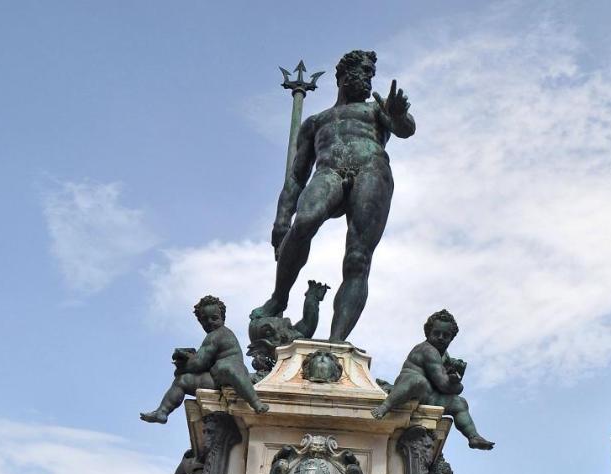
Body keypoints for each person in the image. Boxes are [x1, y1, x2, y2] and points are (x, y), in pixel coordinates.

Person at [254, 49, 416, 342]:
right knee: (303, 222)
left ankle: (336, 342)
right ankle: (279, 298)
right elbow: (296, 175)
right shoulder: (316, 122)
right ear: (342, 76)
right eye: (362, 73)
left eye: (371, 75)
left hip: (371, 170)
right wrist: (281, 218)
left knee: (357, 258)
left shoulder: (376, 110)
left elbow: (405, 129)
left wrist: (398, 114)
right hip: (328, 170)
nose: (368, 81)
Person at [373, 310, 494, 449]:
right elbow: (443, 385)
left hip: (428, 394)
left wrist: (455, 376)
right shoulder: (428, 350)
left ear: (451, 338)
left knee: (460, 403)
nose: (441, 338)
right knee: (418, 381)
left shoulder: (444, 355)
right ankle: (385, 406)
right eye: (436, 333)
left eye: (446, 335)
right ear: (428, 333)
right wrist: (457, 385)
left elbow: (446, 381)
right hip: (410, 387)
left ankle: (473, 437)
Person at [141, 295, 268, 423]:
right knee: (182, 381)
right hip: (217, 377)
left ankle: (256, 402)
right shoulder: (211, 337)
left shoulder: (220, 334)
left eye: (214, 318)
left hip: (231, 372)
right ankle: (162, 412)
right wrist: (186, 361)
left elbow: (199, 363)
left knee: (231, 370)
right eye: (205, 319)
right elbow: (201, 360)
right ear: (200, 322)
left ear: (223, 318)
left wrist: (181, 368)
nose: (210, 322)